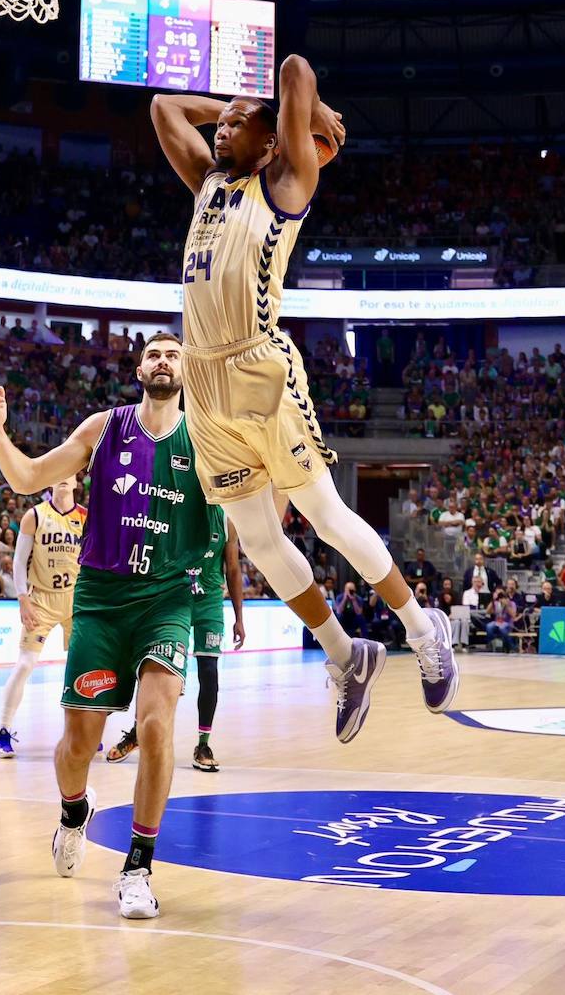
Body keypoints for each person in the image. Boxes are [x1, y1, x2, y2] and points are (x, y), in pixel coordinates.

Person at [149, 60, 457, 741]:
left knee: (323, 514)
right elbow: (165, 107)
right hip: (201, 383)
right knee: (257, 540)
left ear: (270, 142)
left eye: (237, 122)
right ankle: (348, 656)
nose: (222, 126)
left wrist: (306, 116)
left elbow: (294, 71)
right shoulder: (207, 185)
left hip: (259, 369)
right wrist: (229, 104)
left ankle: (421, 628)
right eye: (220, 122)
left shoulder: (287, 183)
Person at [0, 333, 223, 920]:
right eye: (156, 353)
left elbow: (254, 504)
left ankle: (138, 865)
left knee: (158, 726)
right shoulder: (105, 428)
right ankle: (72, 810)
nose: (164, 361)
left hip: (167, 599)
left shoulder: (210, 440)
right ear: (140, 367)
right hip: (101, 599)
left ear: (188, 372)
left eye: (175, 355)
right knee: (79, 743)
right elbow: (27, 477)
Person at [107, 513, 245, 773]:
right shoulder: (175, 505)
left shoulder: (227, 520)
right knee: (152, 667)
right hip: (171, 600)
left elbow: (234, 569)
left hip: (209, 603)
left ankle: (203, 745)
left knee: (209, 672)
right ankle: (138, 731)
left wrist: (239, 617)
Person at [0, 477, 86, 759]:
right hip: (41, 599)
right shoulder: (34, 515)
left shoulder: (87, 517)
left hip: (75, 599)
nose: (61, 478)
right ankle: (3, 732)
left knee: (83, 667)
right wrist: (22, 597)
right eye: (56, 474)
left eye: (67, 474)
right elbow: (19, 561)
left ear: (76, 482)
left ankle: (82, 732)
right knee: (25, 664)